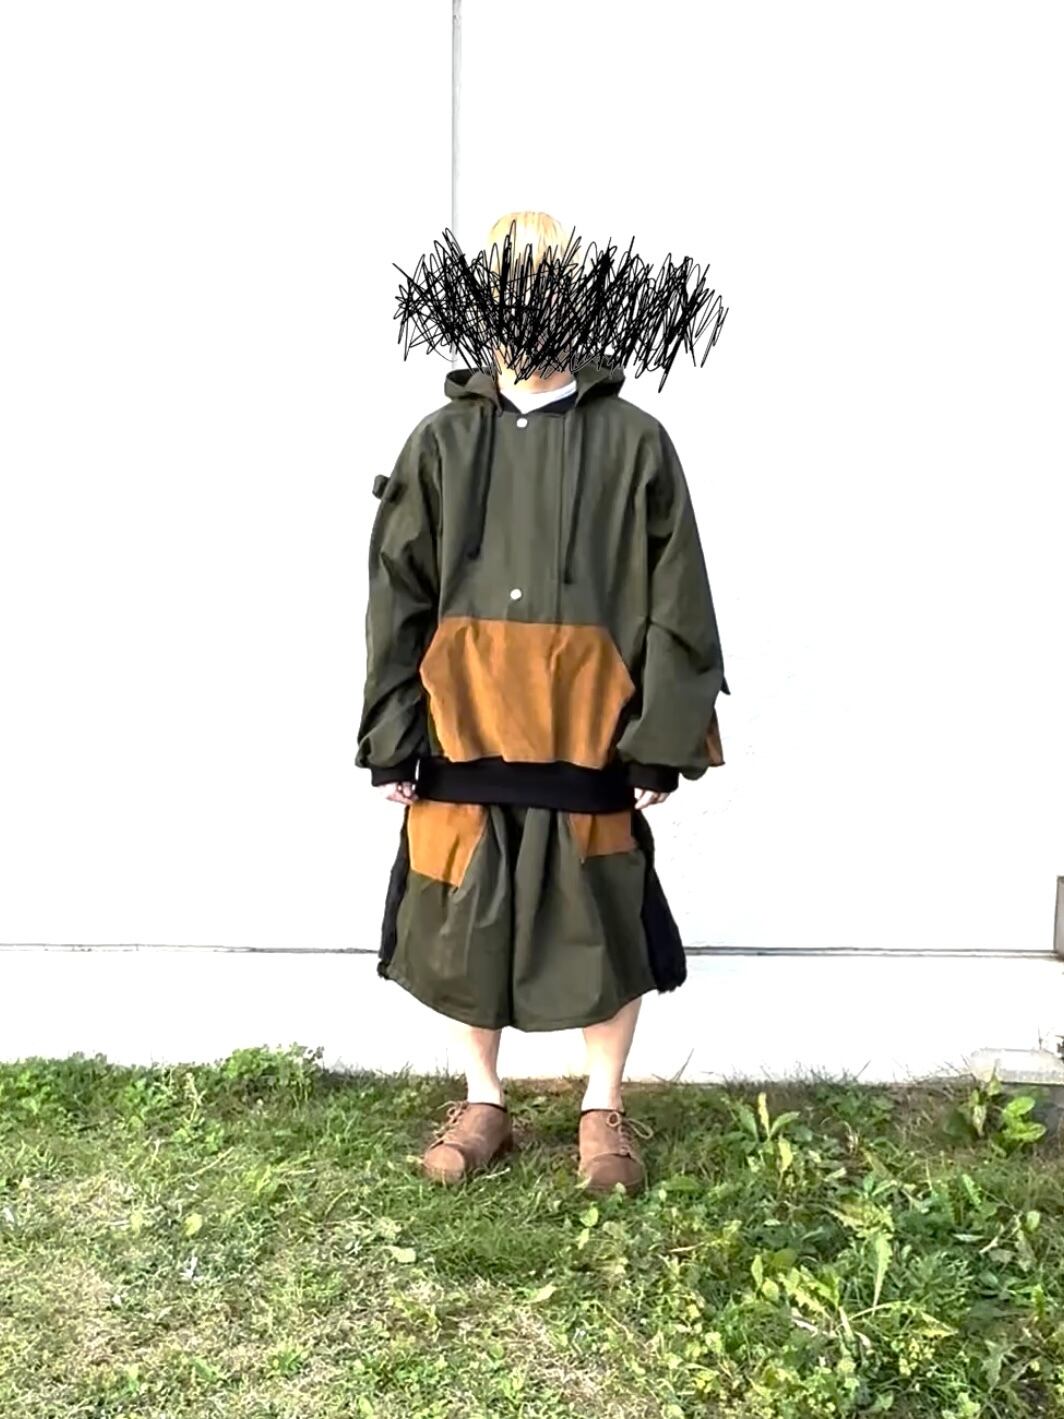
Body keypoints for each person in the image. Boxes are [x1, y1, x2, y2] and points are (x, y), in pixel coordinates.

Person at [356, 211, 729, 1194]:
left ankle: (602, 1106)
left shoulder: (634, 441)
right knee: (460, 917)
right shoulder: (440, 441)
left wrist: (660, 737)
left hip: (586, 730)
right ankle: (483, 1099)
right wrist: (392, 733)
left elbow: (678, 596)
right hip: (464, 726)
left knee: (601, 913)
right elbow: (397, 594)